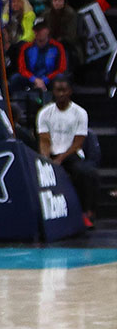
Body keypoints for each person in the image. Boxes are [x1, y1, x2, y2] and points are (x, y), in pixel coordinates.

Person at [37, 77, 99, 228]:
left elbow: (78, 142)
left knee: (86, 172)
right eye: (58, 90)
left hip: (71, 155)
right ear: (54, 92)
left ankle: (86, 213)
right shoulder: (44, 113)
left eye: (64, 90)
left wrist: (61, 159)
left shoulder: (80, 113)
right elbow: (44, 140)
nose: (61, 93)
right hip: (51, 154)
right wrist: (46, 159)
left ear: (70, 91)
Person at [11, 23, 69, 93]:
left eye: (41, 29)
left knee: (60, 78)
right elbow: (22, 68)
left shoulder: (57, 47)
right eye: (37, 30)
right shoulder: (26, 47)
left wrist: (45, 79)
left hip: (50, 78)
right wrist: (34, 79)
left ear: (47, 31)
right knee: (16, 78)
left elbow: (61, 68)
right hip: (31, 78)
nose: (39, 32)